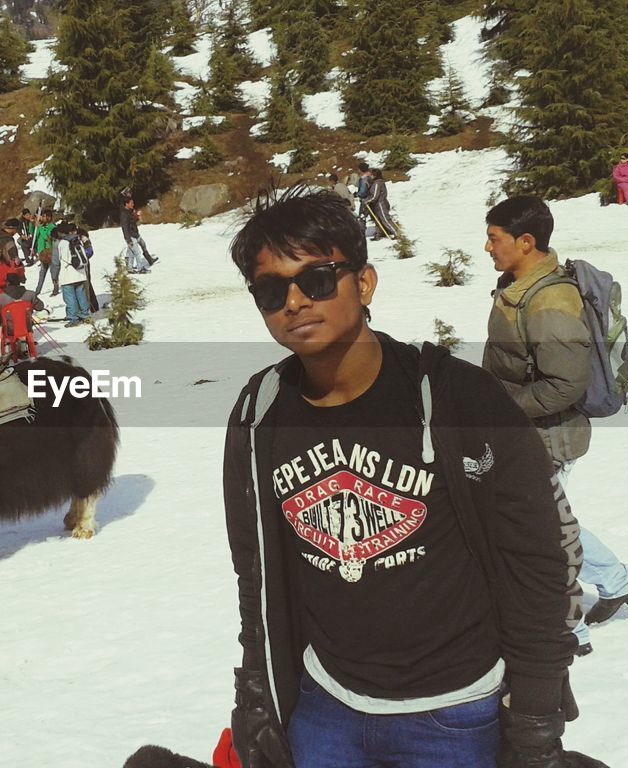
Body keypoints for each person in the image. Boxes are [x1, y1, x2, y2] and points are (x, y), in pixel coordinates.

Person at [223, 187, 602, 768]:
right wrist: (255, 687)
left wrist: (535, 714)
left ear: (365, 283)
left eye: (317, 279)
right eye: (271, 291)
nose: (295, 302)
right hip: (326, 707)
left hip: (454, 715)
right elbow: (255, 571)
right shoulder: (260, 413)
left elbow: (539, 563)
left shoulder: (457, 398)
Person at [482, 196, 628, 656]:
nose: (487, 247)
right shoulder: (522, 287)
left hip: (547, 436)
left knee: (540, 531)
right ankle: (616, 580)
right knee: (553, 520)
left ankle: (566, 627)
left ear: (526, 242)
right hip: (532, 431)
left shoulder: (549, 301)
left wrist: (500, 407)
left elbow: (563, 386)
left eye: (495, 239)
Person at [55, 222, 92, 327]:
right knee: (81, 295)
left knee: (69, 298)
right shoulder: (77, 240)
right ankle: (85, 315)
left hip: (67, 274)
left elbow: (57, 261)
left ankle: (73, 318)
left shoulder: (61, 243)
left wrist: (55, 276)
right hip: (80, 272)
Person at [120, 193, 158, 273]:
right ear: (127, 204)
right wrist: (128, 239)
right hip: (131, 236)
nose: (133, 204)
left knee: (132, 251)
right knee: (137, 252)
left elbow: (132, 222)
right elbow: (125, 228)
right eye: (131, 203)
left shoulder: (129, 211)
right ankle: (140, 268)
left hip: (135, 234)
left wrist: (136, 216)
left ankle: (130, 268)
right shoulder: (124, 214)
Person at [0, 238, 25, 306]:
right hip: (0, 294)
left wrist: (18, 265)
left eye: (0, 249)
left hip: (12, 291)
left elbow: (16, 272)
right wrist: (9, 277)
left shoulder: (5, 262)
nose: (0, 251)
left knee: (30, 295)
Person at [362, 168, 398, 240]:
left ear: (375, 175)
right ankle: (379, 234)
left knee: (385, 219)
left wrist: (368, 200)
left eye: (372, 175)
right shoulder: (375, 183)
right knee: (377, 220)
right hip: (376, 204)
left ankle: (396, 233)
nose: (370, 176)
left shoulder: (377, 183)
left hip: (381, 204)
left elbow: (375, 195)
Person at [33, 209, 58, 296]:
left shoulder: (52, 227)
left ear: (49, 217)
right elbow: (36, 236)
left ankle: (55, 287)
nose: (42, 218)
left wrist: (40, 227)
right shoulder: (42, 227)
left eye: (43, 216)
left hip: (49, 252)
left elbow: (45, 237)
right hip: (42, 253)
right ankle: (37, 290)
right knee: (42, 273)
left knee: (53, 271)